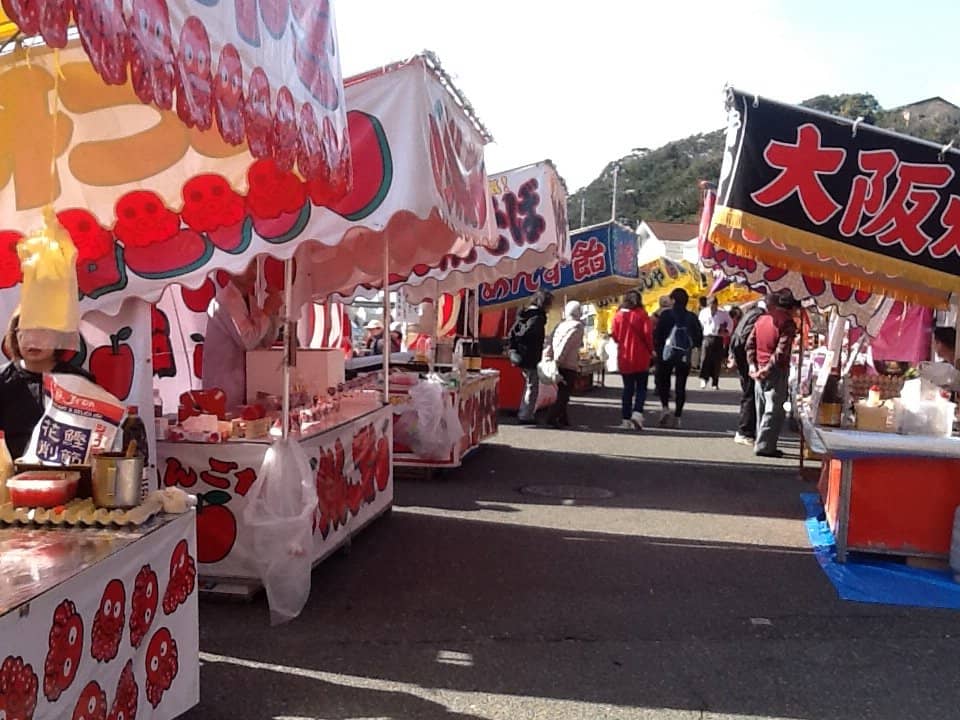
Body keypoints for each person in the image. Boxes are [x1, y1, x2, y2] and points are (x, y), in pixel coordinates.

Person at [0, 312, 94, 459]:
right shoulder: (3, 380)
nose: (33, 340)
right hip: (10, 475)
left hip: (66, 474)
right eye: (25, 331)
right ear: (14, 336)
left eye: (43, 332)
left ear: (59, 338)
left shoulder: (80, 381)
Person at [202, 263, 283, 411]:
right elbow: (249, 341)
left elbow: (266, 340)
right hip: (223, 388)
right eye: (248, 266)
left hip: (246, 384)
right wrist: (267, 310)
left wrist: (273, 313)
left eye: (254, 267)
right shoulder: (223, 301)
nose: (253, 272)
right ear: (231, 270)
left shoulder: (250, 301)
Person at [746, 290, 800, 458]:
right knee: (774, 410)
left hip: (759, 367)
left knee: (761, 406)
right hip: (775, 370)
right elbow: (781, 351)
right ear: (791, 307)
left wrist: (753, 366)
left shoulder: (762, 319)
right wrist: (767, 369)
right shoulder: (787, 323)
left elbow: (750, 344)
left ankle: (761, 441)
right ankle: (765, 445)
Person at [653, 288, 703, 428]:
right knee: (681, 385)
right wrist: (691, 346)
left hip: (666, 353)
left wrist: (658, 349)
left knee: (664, 381)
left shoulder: (666, 315)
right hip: (683, 355)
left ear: (673, 300)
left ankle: (665, 408)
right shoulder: (691, 317)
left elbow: (658, 335)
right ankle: (678, 416)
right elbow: (699, 337)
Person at [508, 289, 553, 424]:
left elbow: (514, 333)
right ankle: (526, 415)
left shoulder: (524, 314)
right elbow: (532, 335)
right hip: (531, 355)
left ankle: (524, 411)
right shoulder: (538, 317)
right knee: (532, 386)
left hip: (521, 354)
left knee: (528, 384)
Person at [611, 290, 654, 430]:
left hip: (625, 357)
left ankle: (625, 419)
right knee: (641, 388)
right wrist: (651, 350)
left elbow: (615, 336)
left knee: (628, 389)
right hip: (641, 356)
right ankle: (637, 413)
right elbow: (648, 335)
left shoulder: (618, 316)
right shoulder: (642, 314)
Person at [727, 299, 766, 446]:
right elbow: (745, 339)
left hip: (741, 356)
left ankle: (746, 430)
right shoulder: (758, 315)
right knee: (749, 394)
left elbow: (736, 336)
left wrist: (733, 355)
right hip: (746, 359)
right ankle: (745, 431)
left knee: (748, 393)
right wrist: (748, 361)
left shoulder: (751, 313)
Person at [544, 301, 585, 428]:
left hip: (558, 361)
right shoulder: (577, 326)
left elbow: (550, 340)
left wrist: (548, 356)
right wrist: (558, 360)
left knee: (562, 390)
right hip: (568, 363)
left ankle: (563, 418)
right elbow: (566, 344)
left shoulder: (561, 325)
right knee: (564, 393)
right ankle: (552, 417)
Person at [698, 296, 731, 390]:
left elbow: (730, 322)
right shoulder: (703, 312)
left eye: (714, 305)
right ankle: (704, 379)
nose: (713, 308)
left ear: (717, 304)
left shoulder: (723, 313)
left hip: (718, 338)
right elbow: (700, 323)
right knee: (705, 359)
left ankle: (715, 382)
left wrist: (726, 331)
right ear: (708, 305)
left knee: (716, 361)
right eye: (711, 305)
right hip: (707, 337)